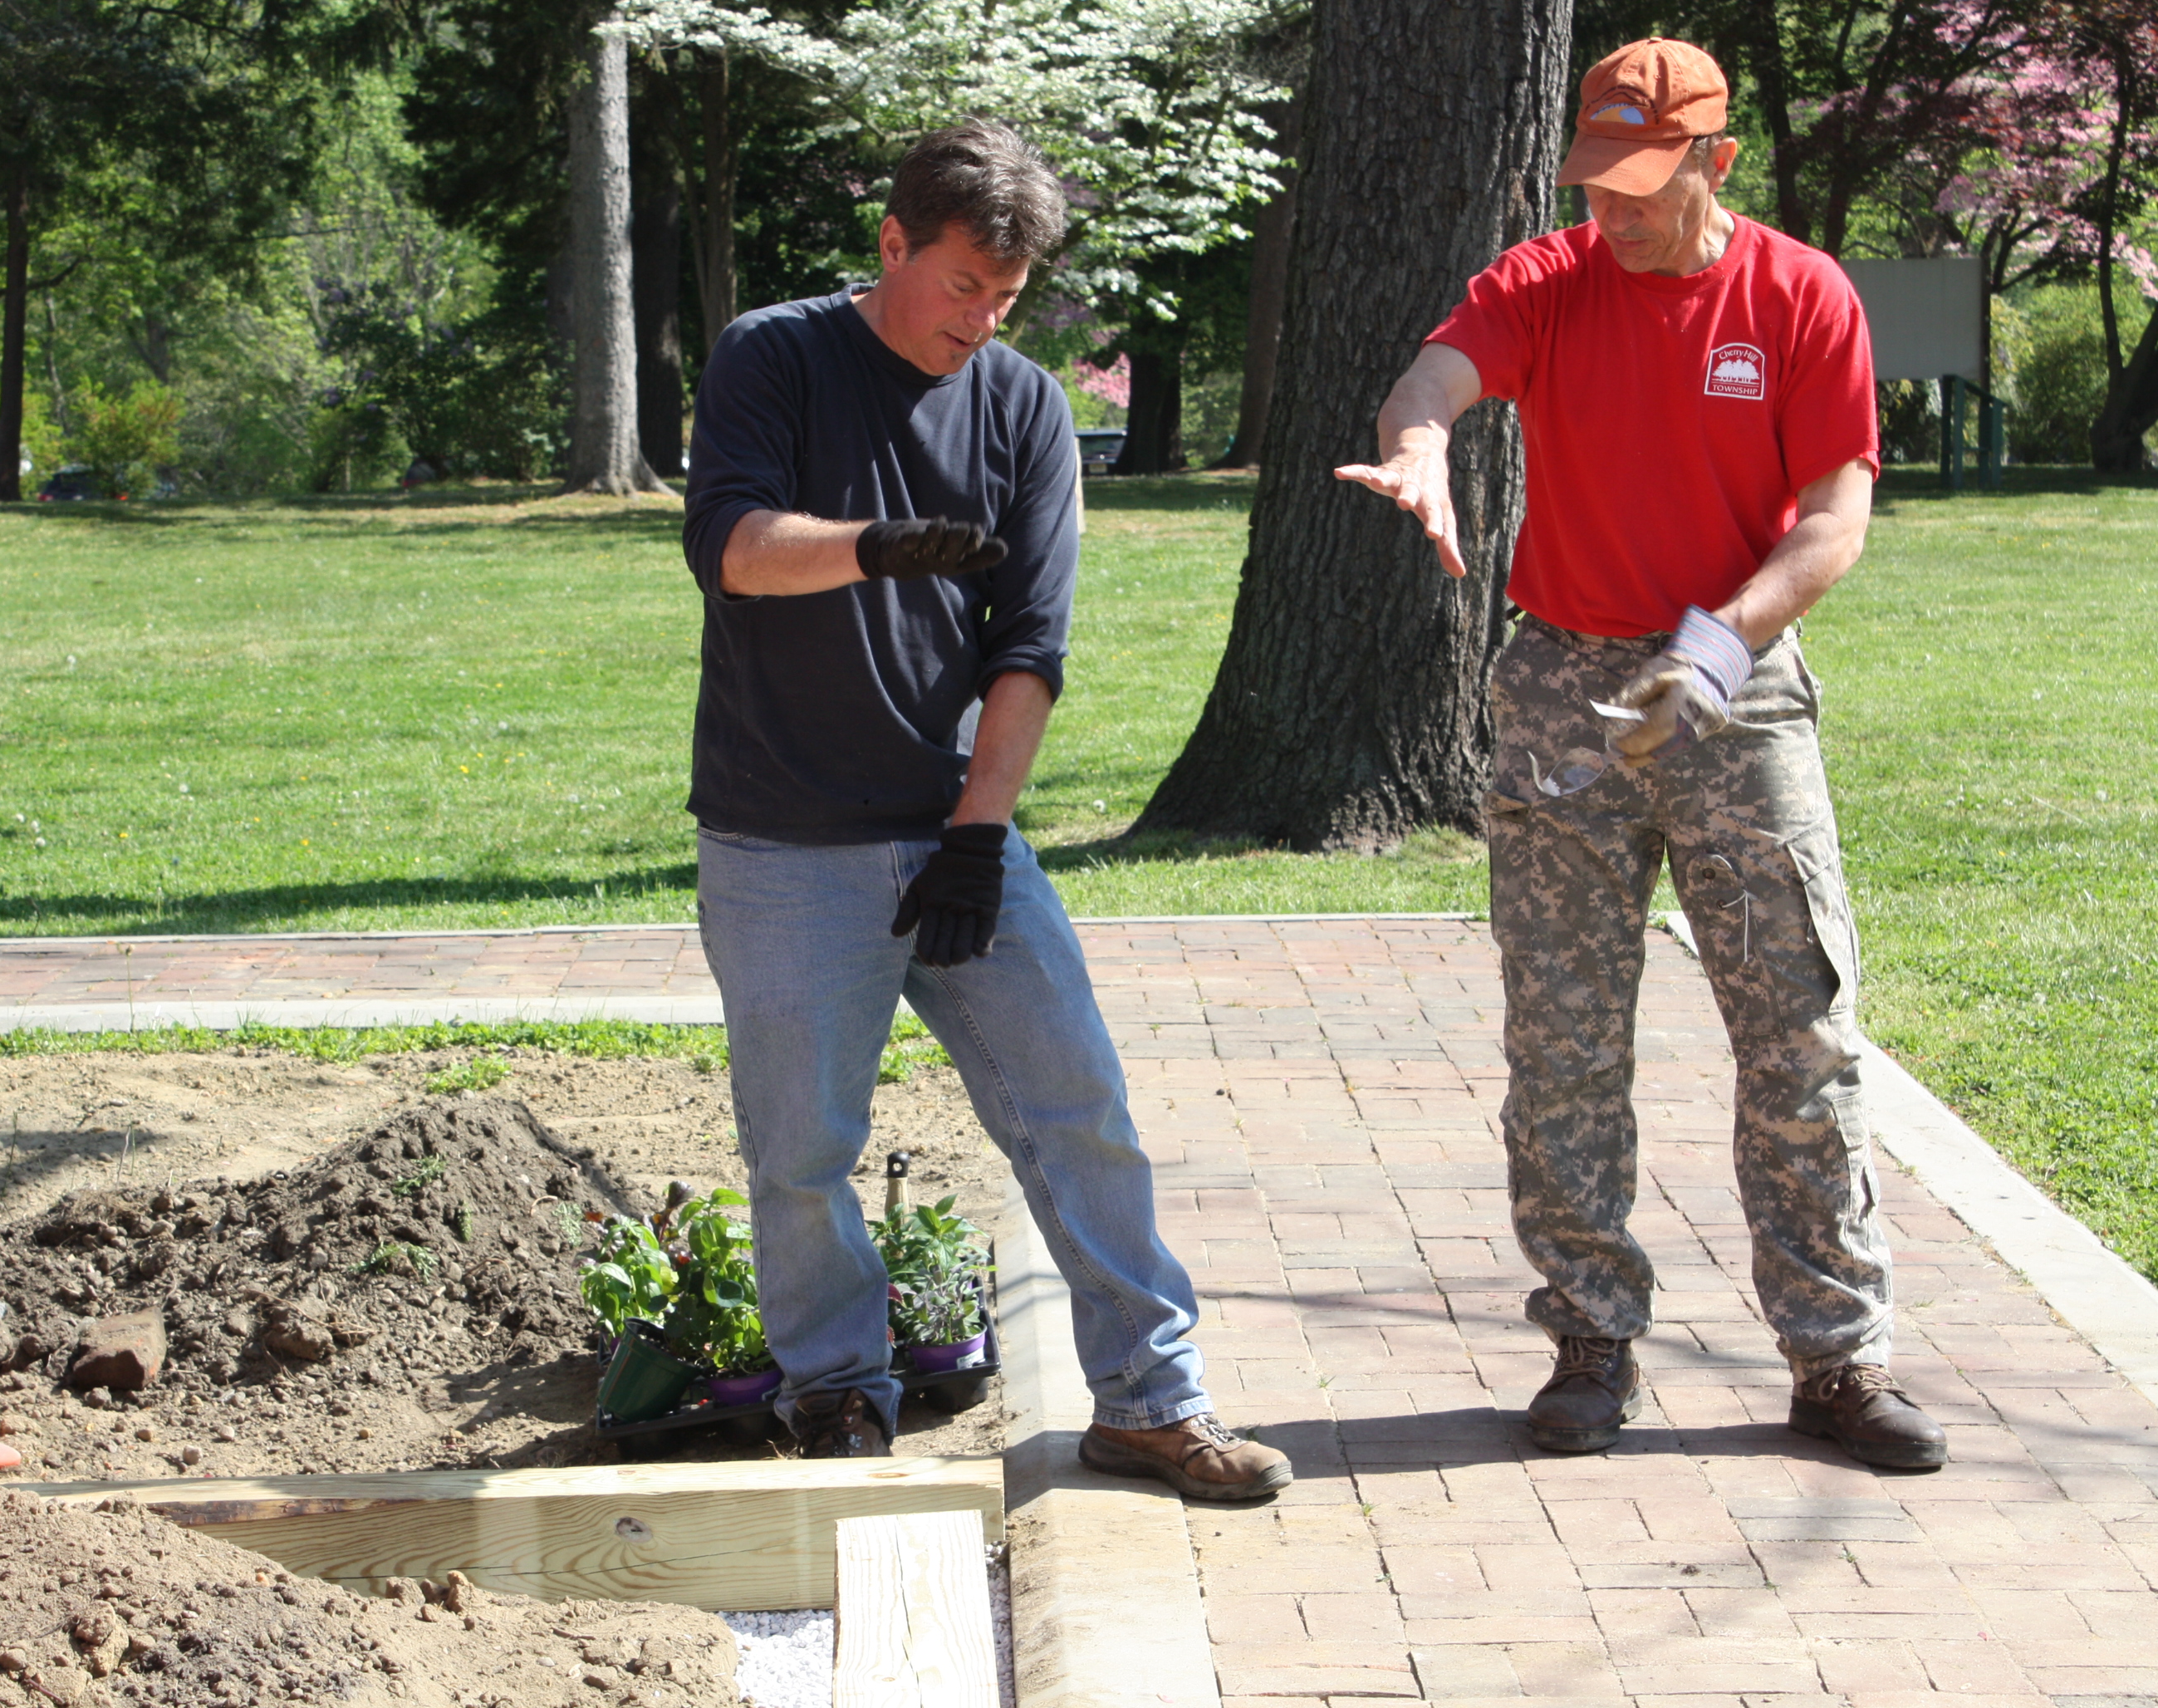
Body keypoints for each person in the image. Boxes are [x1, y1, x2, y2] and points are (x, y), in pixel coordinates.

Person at [1336, 37, 1947, 1469]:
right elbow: (1435, 376)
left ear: (1716, 161)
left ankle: (1837, 1361)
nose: (1610, 208)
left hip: (1737, 684)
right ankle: (1590, 1338)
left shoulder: (1800, 295)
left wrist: (1718, 649)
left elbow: (1833, 522)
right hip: (1563, 688)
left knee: (1801, 1036)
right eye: (1594, 179)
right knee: (1562, 1043)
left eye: (1643, 182)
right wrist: (1419, 445)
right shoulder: (1549, 279)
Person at [679, 120, 1292, 1499]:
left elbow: (1030, 647)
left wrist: (975, 833)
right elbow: (731, 548)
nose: (982, 320)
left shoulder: (1021, 407)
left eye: (1007, 298)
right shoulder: (775, 357)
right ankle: (839, 1392)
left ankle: (1150, 1402)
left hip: (961, 833)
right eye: (963, 285)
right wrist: (876, 548)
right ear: (893, 243)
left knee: (1080, 1112)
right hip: (783, 841)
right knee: (802, 1152)